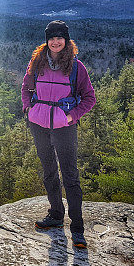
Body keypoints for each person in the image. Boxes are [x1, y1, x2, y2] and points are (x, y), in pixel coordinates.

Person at [21, 20, 96, 249]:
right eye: (51, 38)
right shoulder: (37, 62)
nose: (55, 42)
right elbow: (26, 88)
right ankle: (55, 216)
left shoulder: (76, 67)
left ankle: (77, 229)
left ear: (66, 40)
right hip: (39, 124)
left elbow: (89, 98)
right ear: (47, 40)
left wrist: (72, 117)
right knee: (49, 172)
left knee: (70, 177)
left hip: (64, 126)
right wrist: (28, 108)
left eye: (59, 38)